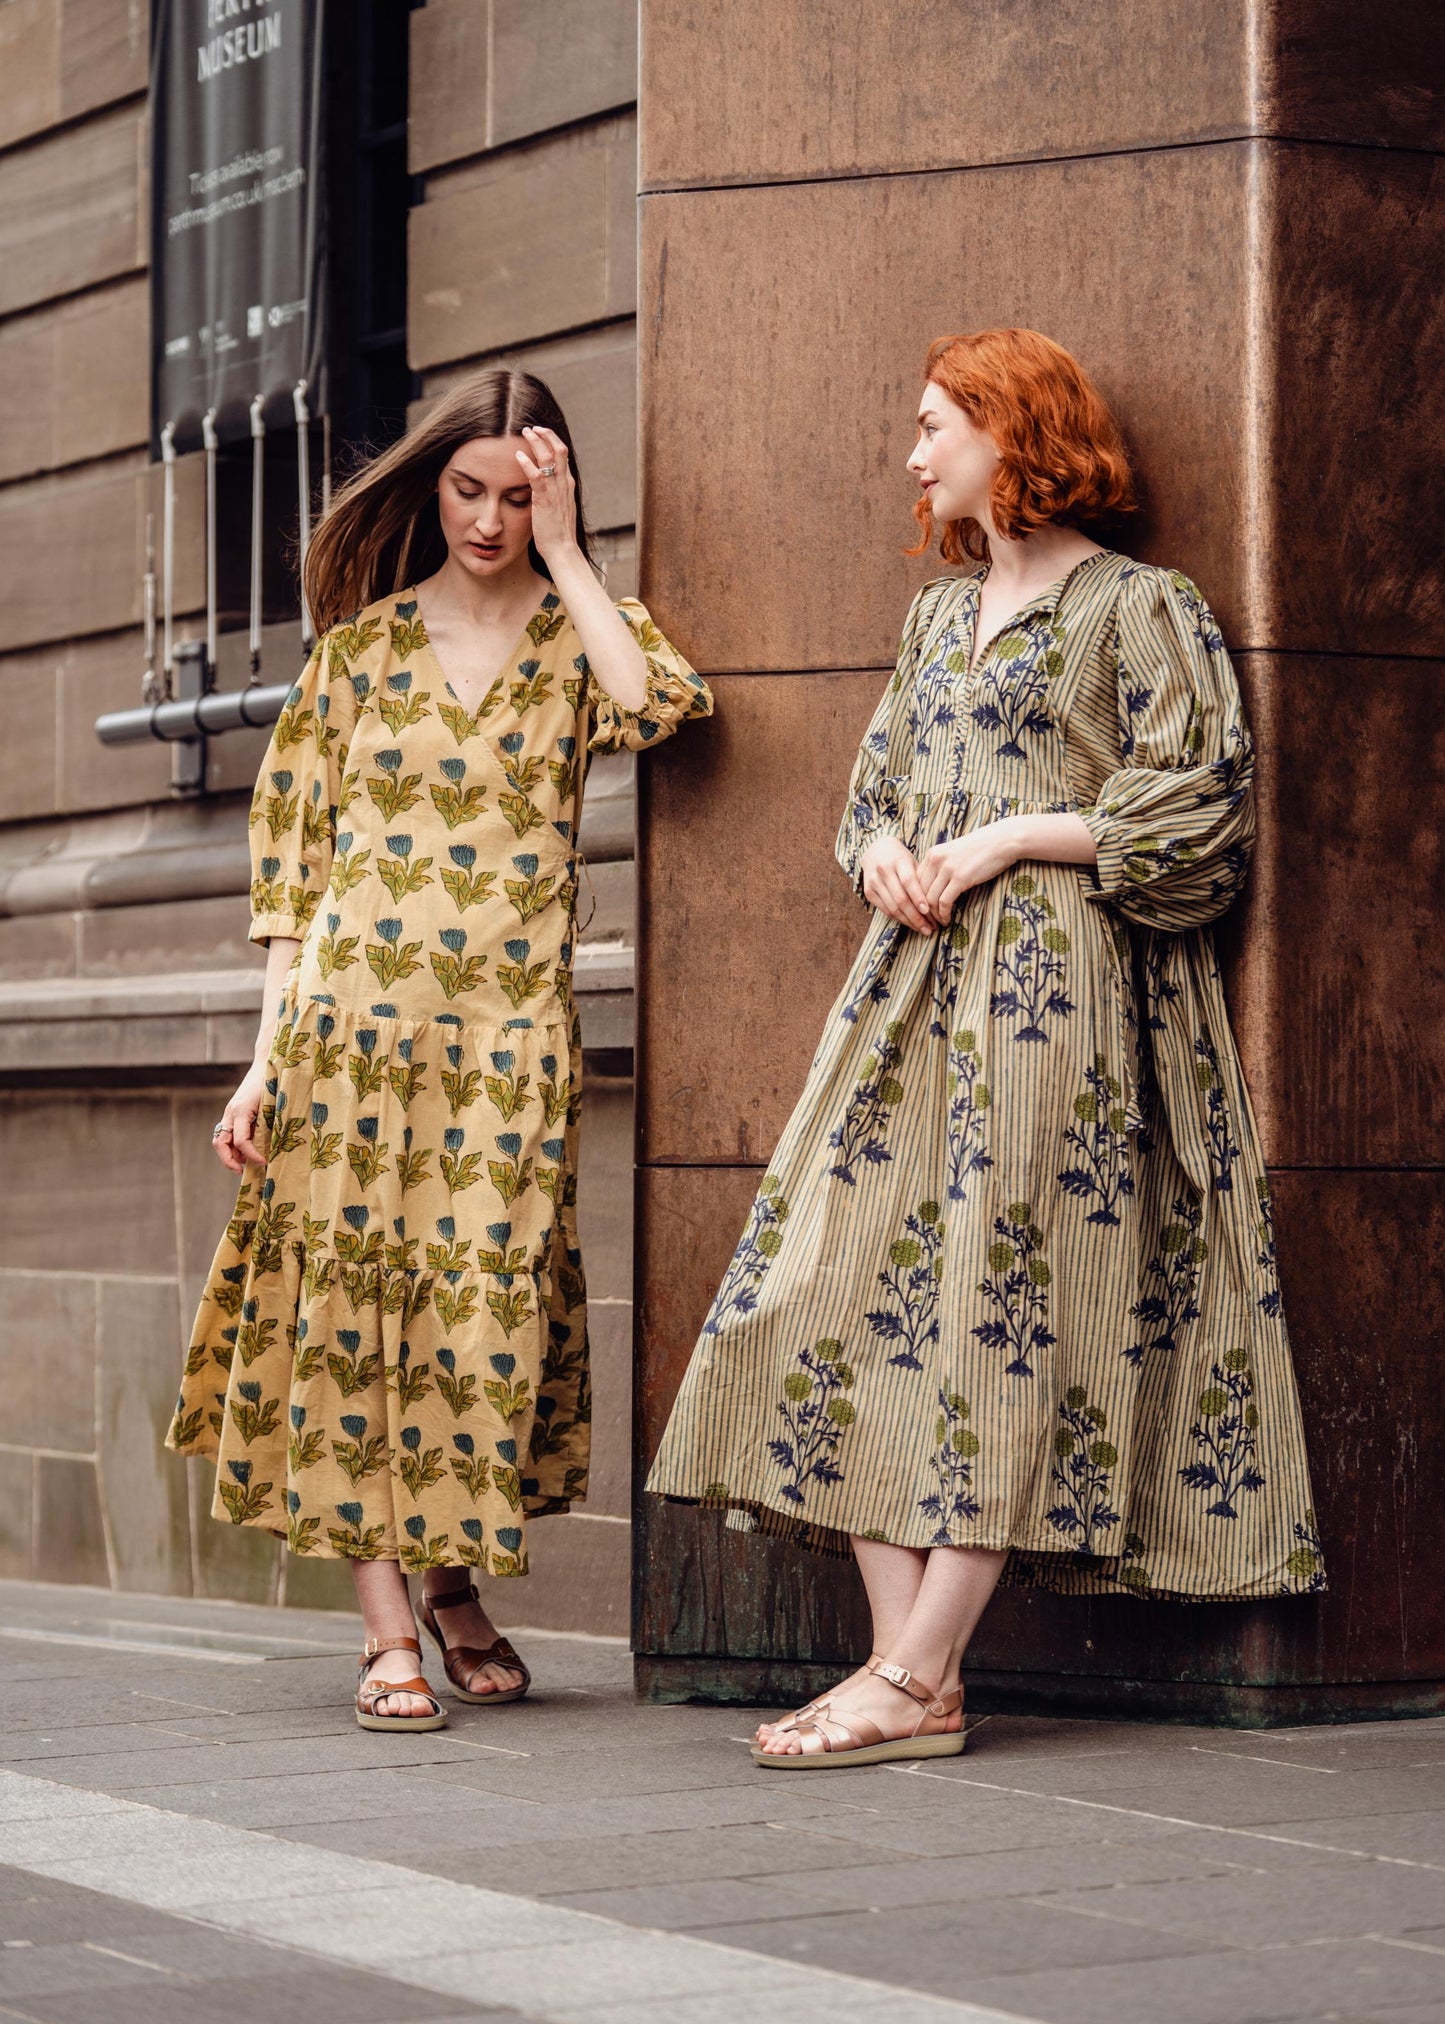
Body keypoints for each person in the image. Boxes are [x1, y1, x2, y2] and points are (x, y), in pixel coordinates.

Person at [646, 327, 1323, 1768]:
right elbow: (872, 790)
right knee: (821, 1295)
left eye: (935, 424)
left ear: (1015, 434)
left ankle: (909, 1675)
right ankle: (913, 1675)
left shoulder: (1139, 607)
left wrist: (1012, 834)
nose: (912, 453)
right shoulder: (933, 620)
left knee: (1008, 1312)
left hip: (1055, 1002)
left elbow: (1195, 810)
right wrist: (886, 851)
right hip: (909, 992)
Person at [168, 368, 712, 1730]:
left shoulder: (579, 635)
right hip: (350, 1029)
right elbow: (295, 884)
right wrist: (263, 1061)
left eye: (518, 495)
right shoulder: (358, 655)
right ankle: (386, 1629)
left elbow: (654, 707)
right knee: (360, 1308)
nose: (486, 518)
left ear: (554, 493)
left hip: (507, 1036)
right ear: (431, 490)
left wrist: (576, 555)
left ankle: (452, 1582)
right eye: (467, 491)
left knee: (476, 1315)